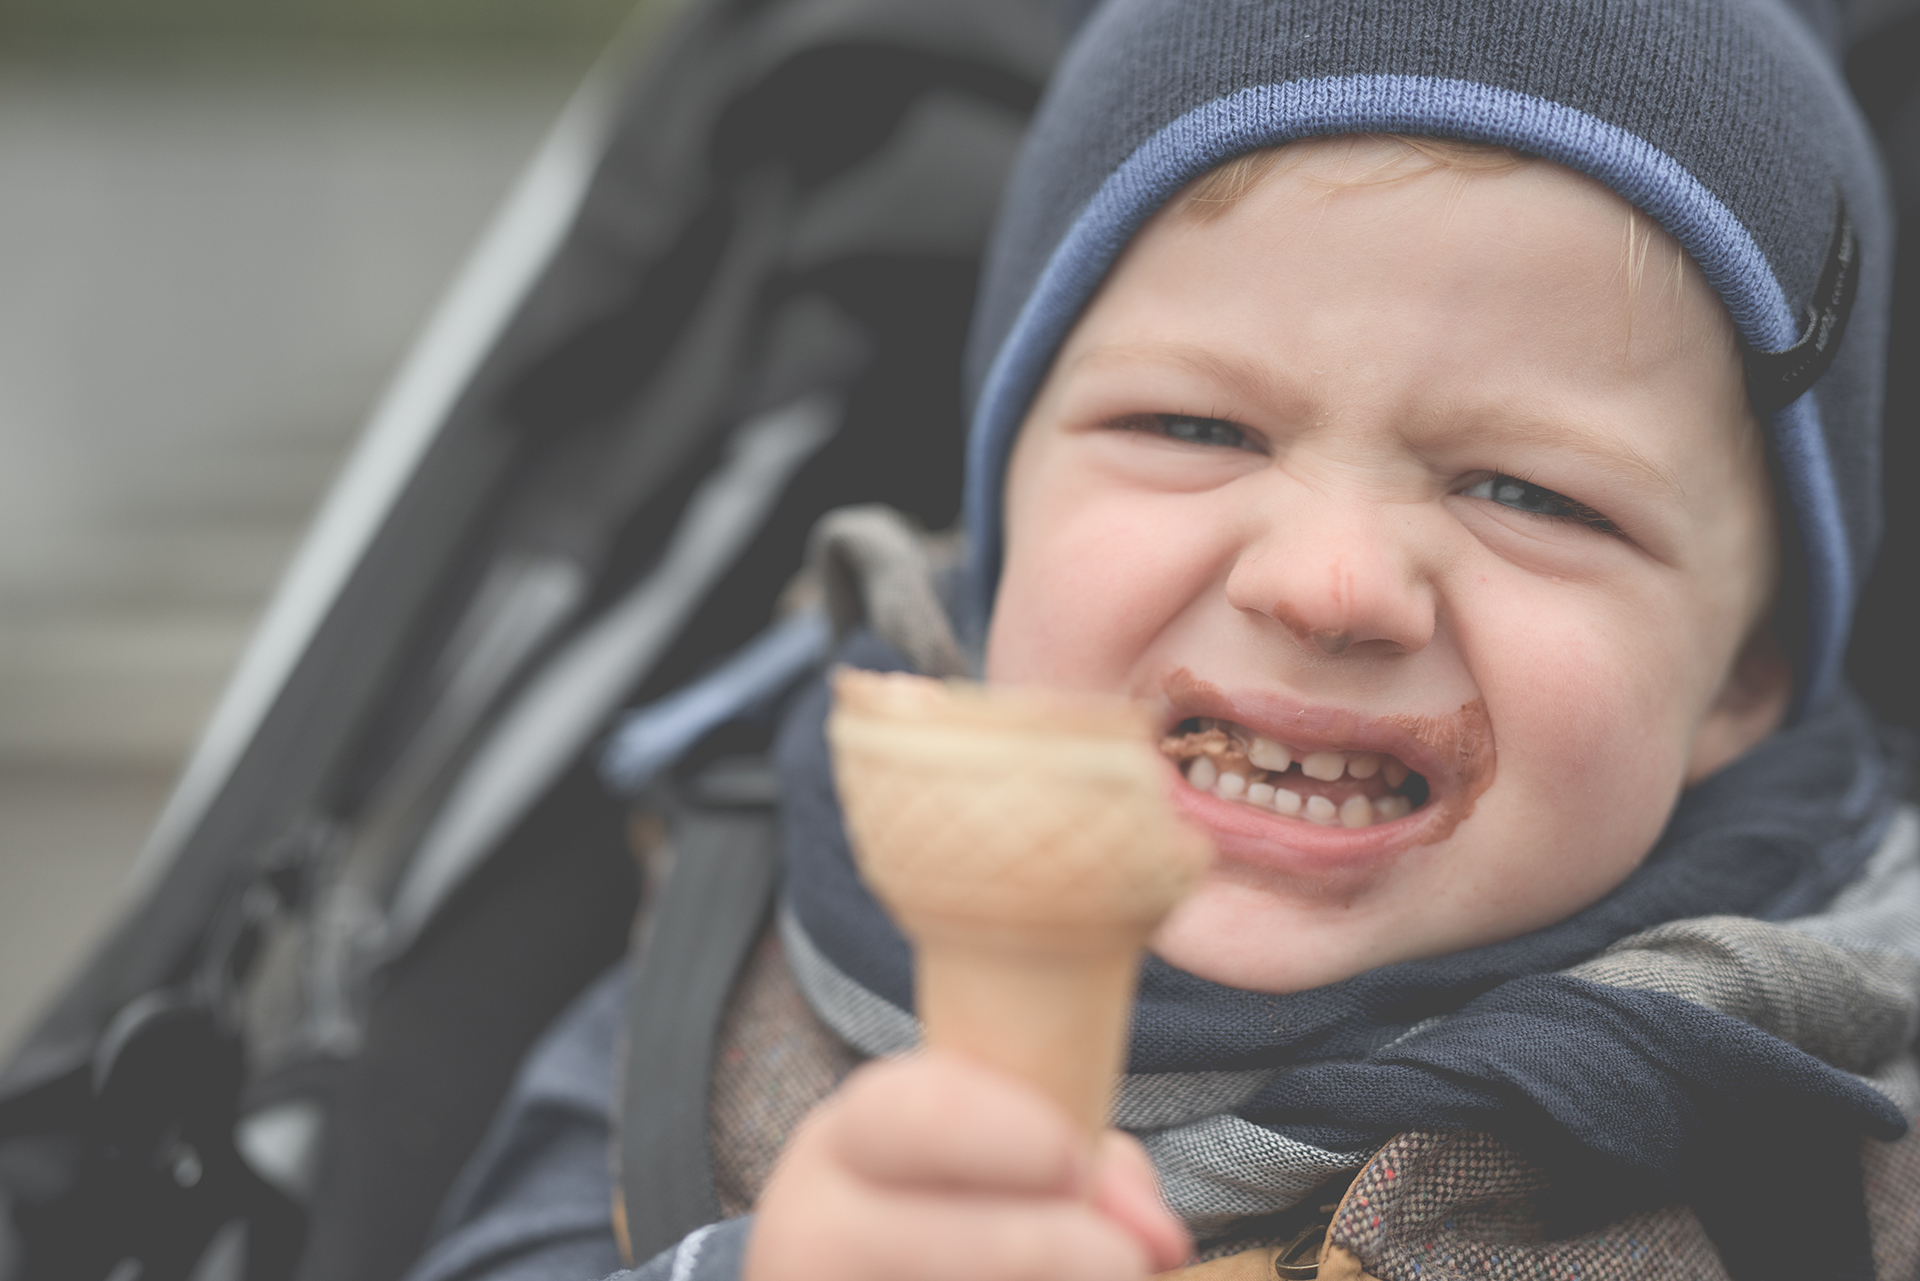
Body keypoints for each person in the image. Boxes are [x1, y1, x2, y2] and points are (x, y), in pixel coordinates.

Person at [408, 1, 1920, 1279]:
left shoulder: (1851, 1121)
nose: (1331, 584)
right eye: (1196, 425)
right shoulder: (735, 933)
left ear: (1742, 679)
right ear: (999, 533)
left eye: (1529, 491)